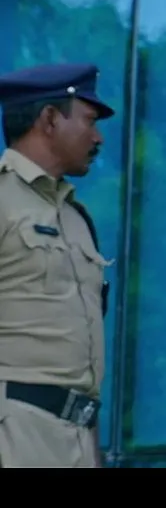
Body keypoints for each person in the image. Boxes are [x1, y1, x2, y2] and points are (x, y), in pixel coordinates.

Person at [0, 63, 114, 468]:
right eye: (89, 120)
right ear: (49, 119)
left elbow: (84, 363)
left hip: (75, 438)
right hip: (14, 433)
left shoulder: (76, 218)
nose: (98, 137)